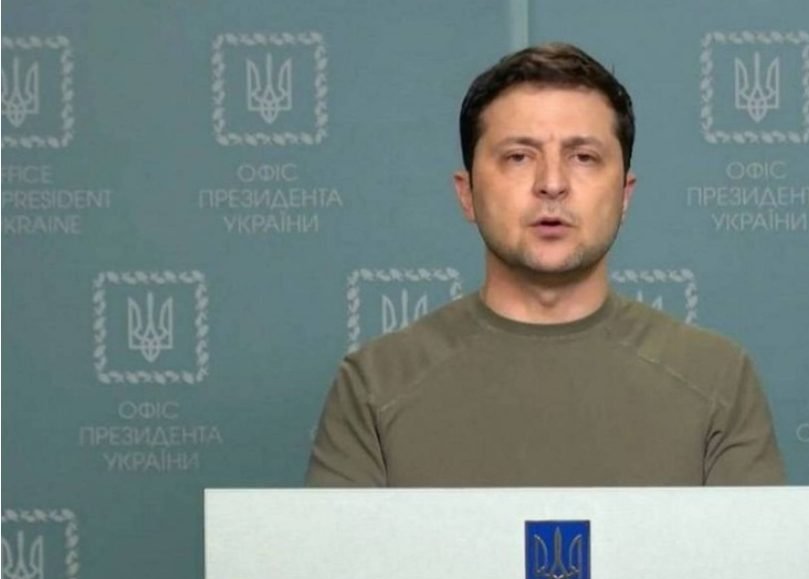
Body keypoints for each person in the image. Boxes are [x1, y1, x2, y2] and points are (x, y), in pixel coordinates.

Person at [306, 42, 784, 487]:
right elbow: (343, 555)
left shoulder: (717, 378)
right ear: (467, 193)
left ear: (625, 194)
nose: (552, 183)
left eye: (584, 157)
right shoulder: (374, 384)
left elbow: (751, 552)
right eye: (518, 157)